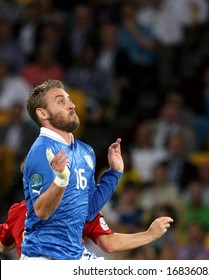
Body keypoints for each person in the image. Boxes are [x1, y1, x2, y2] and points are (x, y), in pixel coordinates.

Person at [21, 79, 124, 260]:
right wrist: (61, 179)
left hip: (74, 255)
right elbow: (42, 212)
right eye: (61, 101)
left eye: (69, 99)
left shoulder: (85, 151)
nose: (72, 105)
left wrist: (114, 174)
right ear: (42, 113)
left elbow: (89, 211)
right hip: (45, 258)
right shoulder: (42, 151)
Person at [0, 200, 173, 259]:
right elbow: (109, 244)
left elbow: (4, 244)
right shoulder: (82, 206)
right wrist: (149, 235)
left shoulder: (19, 209)